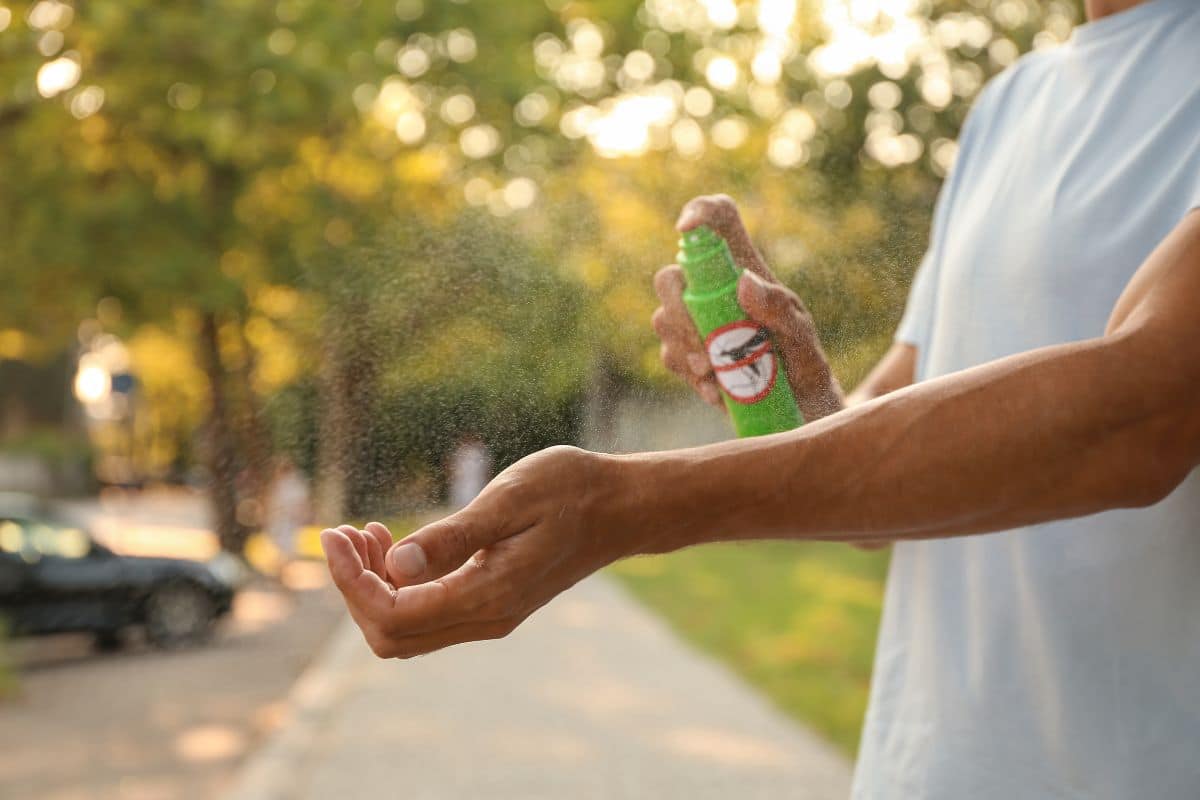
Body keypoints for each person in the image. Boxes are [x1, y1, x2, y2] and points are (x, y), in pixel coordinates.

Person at [320, 0, 1200, 795]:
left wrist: (629, 507)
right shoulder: (1011, 104)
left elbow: (1141, 416)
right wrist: (797, 385)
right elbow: (877, 498)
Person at [446, 433, 490, 510]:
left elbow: (485, 471)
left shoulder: (476, 453)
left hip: (475, 485)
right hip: (464, 485)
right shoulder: (463, 453)